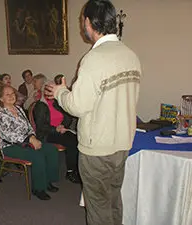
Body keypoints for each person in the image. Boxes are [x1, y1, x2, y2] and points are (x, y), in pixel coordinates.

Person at [45, 0, 142, 224]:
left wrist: (61, 92)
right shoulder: (130, 55)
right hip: (122, 143)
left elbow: (77, 106)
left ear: (89, 22)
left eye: (82, 21)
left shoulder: (93, 59)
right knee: (113, 199)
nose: (82, 26)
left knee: (98, 208)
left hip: (98, 147)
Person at [0, 85, 59, 200]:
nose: (11, 96)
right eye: (7, 94)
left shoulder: (18, 109)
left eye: (12, 93)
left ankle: (47, 180)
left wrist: (32, 136)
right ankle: (38, 188)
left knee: (51, 150)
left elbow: (29, 126)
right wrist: (29, 139)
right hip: (10, 146)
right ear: (0, 98)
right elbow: (9, 135)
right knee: (37, 155)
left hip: (26, 141)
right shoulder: (0, 114)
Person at [32, 78, 80, 183]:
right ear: (44, 91)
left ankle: (76, 169)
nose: (51, 93)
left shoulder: (56, 103)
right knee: (72, 141)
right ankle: (70, 172)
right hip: (47, 133)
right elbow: (41, 126)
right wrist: (56, 129)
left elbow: (67, 116)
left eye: (52, 90)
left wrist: (63, 126)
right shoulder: (40, 106)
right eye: (48, 90)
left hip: (60, 130)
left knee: (78, 139)